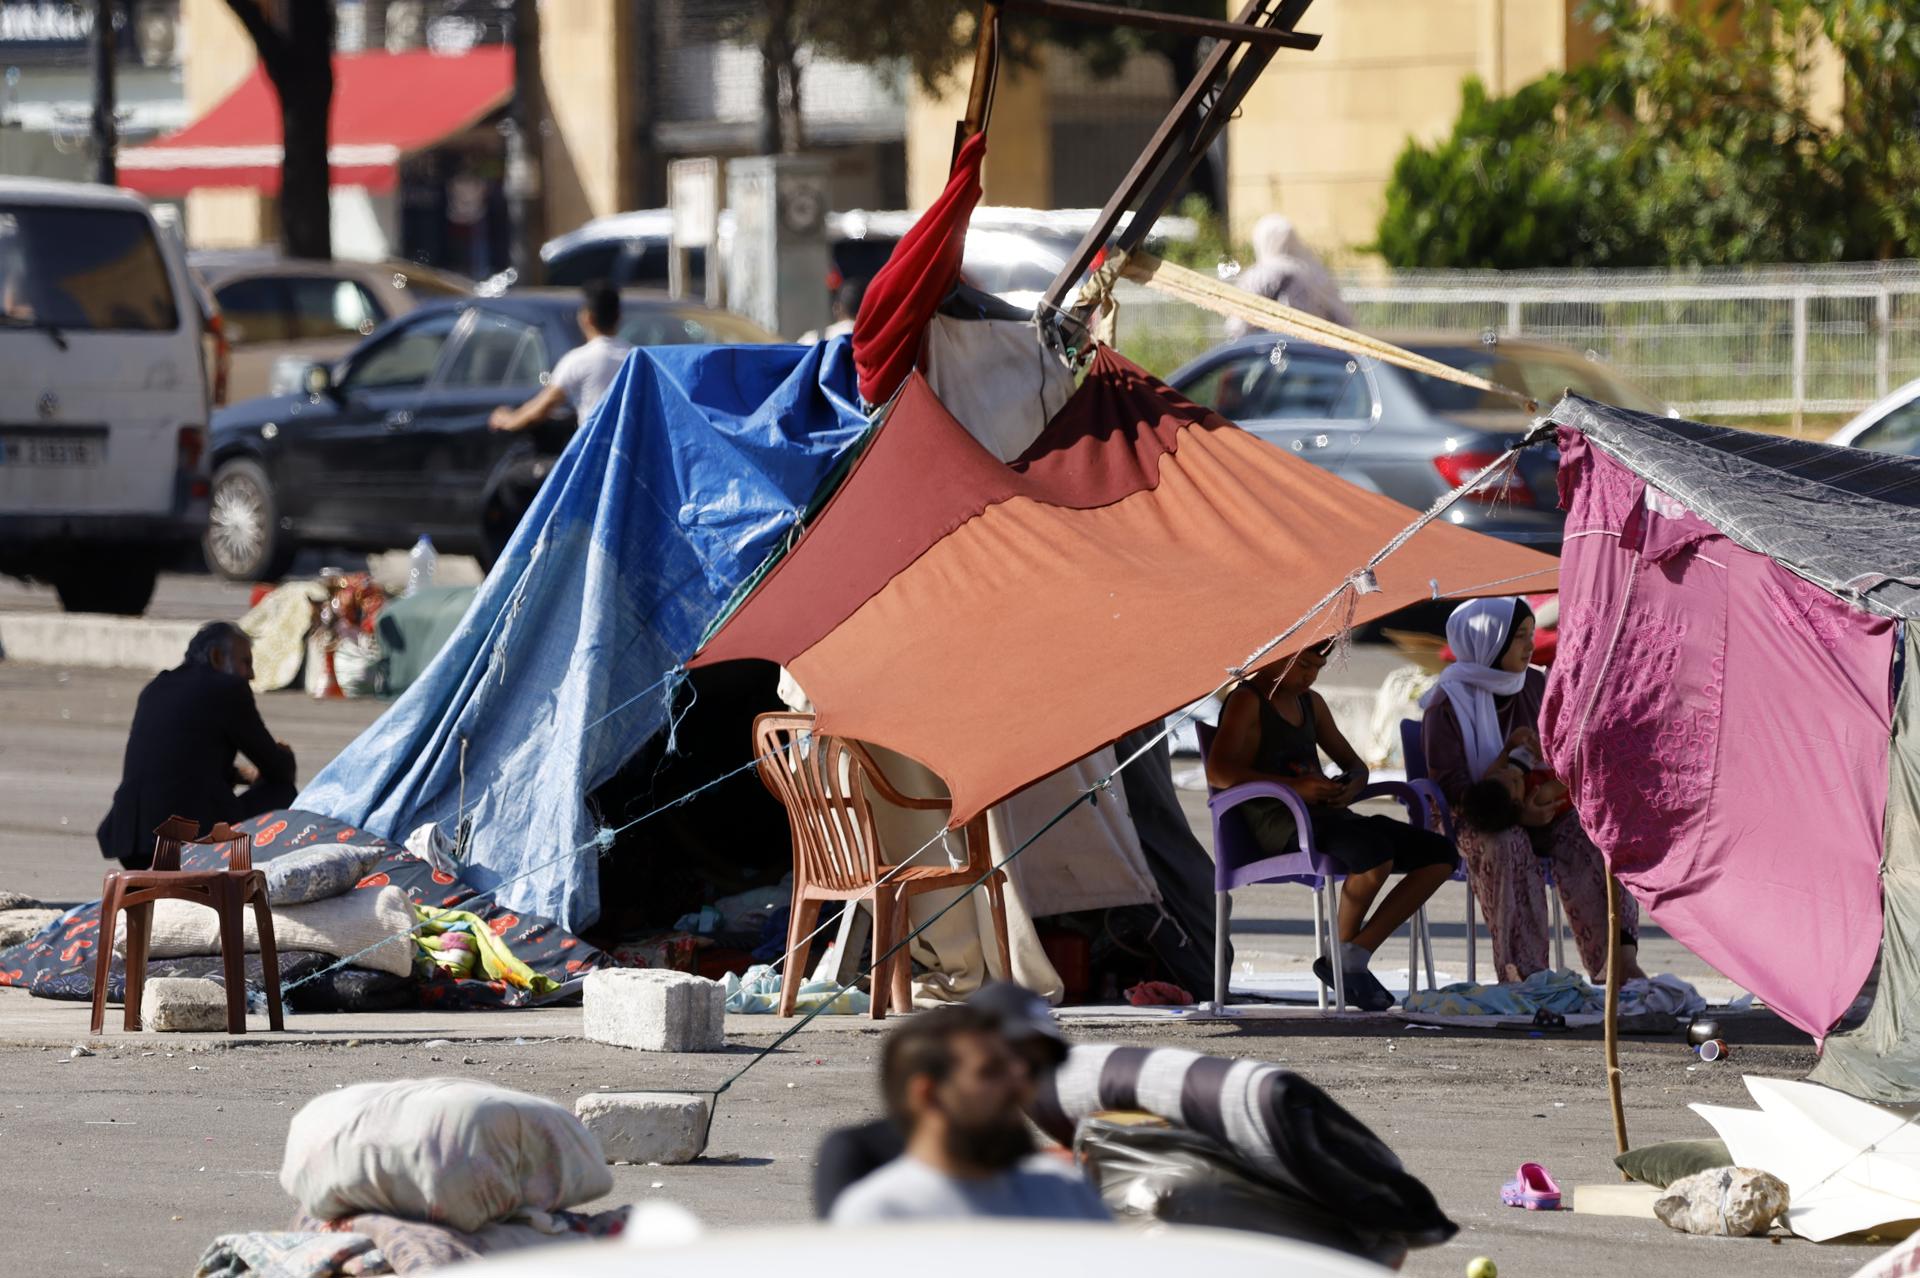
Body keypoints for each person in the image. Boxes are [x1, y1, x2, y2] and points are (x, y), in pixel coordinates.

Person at [1206, 639, 1458, 1011]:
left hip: (1330, 816)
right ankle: (1344, 962)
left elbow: (1354, 764)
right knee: (1373, 855)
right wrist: (1295, 788)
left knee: (1440, 854)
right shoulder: (1248, 700)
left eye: (1317, 669)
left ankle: (1351, 954)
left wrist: (1351, 784)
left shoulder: (1311, 703)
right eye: (1304, 666)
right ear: (1277, 657)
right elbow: (1218, 771)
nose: (1310, 677)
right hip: (1282, 823)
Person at [1421, 597, 1645, 986]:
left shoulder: (1536, 685)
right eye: (1520, 637)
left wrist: (1550, 784)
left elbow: (1566, 752)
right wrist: (1515, 809)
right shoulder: (1447, 703)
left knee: (1594, 838)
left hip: (1540, 805)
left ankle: (1617, 964)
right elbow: (1453, 789)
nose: (1530, 645)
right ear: (1490, 644)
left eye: (1530, 634)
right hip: (1474, 816)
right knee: (1508, 843)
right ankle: (1524, 973)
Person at [829, 1003, 1109, 1225]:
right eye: (991, 1072)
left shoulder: (1063, 1188)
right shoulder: (880, 1215)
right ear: (928, 1095)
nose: (1019, 1086)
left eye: (1019, 1070)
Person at [96, 622, 297, 870]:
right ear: (217, 657)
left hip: (133, 839)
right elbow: (276, 768)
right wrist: (285, 756)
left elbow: (181, 761)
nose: (251, 674)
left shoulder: (156, 687)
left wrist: (240, 774)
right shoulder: (229, 689)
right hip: (188, 834)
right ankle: (249, 879)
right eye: (245, 662)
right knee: (282, 792)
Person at [488, 282, 631, 432]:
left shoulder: (579, 359)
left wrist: (508, 421)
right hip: (633, 444)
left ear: (586, 318)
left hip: (595, 443)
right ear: (619, 317)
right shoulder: (635, 356)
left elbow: (543, 406)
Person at [1223, 213, 1354, 338]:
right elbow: (1342, 318)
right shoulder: (1314, 273)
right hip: (1315, 348)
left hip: (1273, 348)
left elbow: (1237, 326)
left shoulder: (1261, 275)